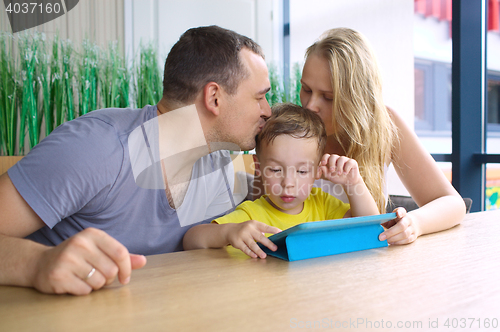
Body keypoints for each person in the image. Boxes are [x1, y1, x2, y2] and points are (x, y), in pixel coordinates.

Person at [0, 25, 272, 295]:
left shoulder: (219, 165)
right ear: (214, 97)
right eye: (260, 97)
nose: (267, 111)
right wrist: (37, 263)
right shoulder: (96, 147)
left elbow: (278, 194)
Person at [298, 27, 466, 245]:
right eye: (306, 90)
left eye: (328, 97)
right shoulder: (291, 131)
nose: (310, 106)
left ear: (358, 98)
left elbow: (453, 203)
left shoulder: (384, 125)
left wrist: (415, 223)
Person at [183, 103, 380, 259]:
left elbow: (370, 228)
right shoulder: (252, 215)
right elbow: (191, 239)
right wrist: (228, 232)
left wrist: (354, 184)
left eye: (302, 171)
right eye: (276, 170)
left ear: (317, 172)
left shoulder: (322, 204)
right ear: (258, 168)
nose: (288, 183)